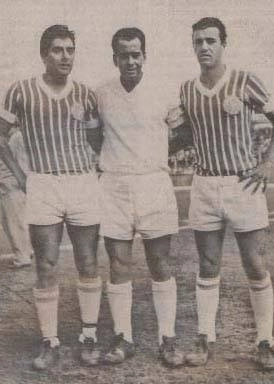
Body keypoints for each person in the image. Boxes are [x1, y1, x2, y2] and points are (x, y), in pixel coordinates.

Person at [173, 17, 274, 370]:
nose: (204, 47)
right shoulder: (186, 90)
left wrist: (267, 164)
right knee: (208, 264)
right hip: (204, 184)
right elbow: (182, 136)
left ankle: (265, 340)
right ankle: (205, 338)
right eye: (198, 41)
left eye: (211, 40)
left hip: (242, 184)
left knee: (254, 264)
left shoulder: (245, 81)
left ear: (223, 44)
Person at [0, 25, 103, 370]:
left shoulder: (86, 95)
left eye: (70, 50)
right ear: (44, 54)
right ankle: (50, 341)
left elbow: (97, 140)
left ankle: (89, 335)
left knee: (87, 262)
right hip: (43, 183)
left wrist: (96, 172)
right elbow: (1, 137)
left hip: (82, 182)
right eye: (57, 50)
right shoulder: (21, 91)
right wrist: (20, 176)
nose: (65, 56)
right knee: (45, 264)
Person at [96, 27, 184, 367]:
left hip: (153, 184)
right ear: (114, 57)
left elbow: (182, 133)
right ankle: (124, 337)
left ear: (144, 55)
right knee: (118, 263)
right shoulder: (102, 93)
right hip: (114, 185)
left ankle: (168, 338)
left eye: (136, 54)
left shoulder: (163, 90)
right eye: (124, 55)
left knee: (159, 263)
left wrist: (154, 155)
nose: (130, 60)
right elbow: (93, 136)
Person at [0, 128, 32, 268]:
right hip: (9, 181)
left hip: (10, 182)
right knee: (15, 220)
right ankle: (26, 251)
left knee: (14, 221)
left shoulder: (17, 136)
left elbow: (21, 162)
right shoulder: (16, 136)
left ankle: (23, 256)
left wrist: (21, 180)